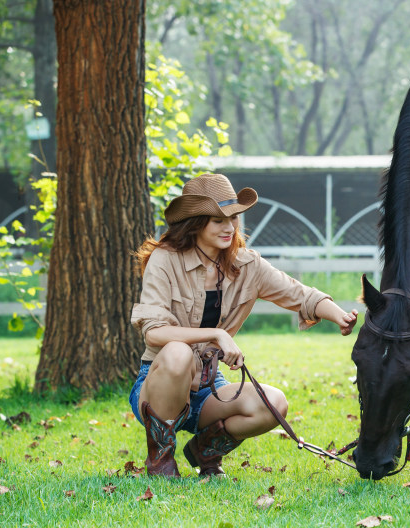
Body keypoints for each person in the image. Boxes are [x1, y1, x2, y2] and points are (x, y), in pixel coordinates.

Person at [129, 173, 358, 478]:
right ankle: (160, 459)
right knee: (177, 353)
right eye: (218, 220)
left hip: (209, 387)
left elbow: (300, 294)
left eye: (234, 217)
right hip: (159, 386)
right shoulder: (165, 260)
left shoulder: (247, 265)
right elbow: (154, 332)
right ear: (195, 222)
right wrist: (217, 334)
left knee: (273, 403)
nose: (230, 227)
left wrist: (339, 315)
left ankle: (204, 451)